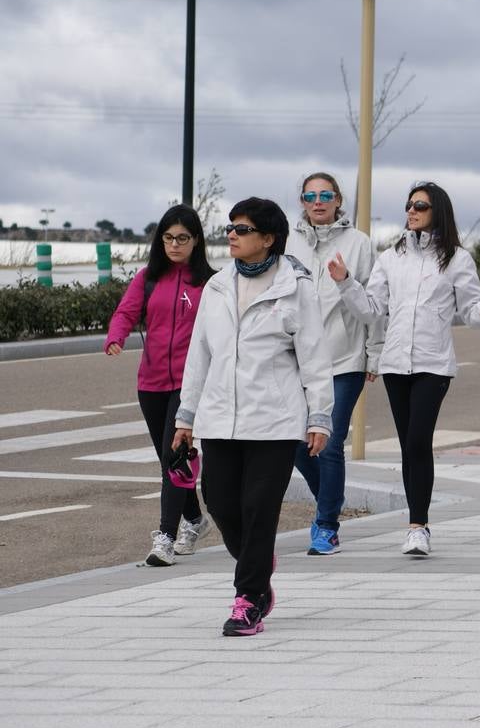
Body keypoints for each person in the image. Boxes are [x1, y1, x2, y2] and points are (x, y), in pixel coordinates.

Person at [174, 198, 334, 636]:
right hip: (220, 419)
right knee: (222, 504)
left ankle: (248, 600)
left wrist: (319, 417)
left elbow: (315, 358)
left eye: (242, 230)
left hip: (275, 422)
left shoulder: (296, 287)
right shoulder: (217, 286)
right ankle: (258, 561)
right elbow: (200, 355)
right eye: (230, 227)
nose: (232, 235)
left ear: (268, 239)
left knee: (259, 508)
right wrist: (185, 416)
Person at [330, 182, 480, 557]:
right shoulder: (391, 257)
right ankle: (416, 523)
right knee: (408, 447)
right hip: (395, 364)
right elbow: (372, 308)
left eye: (420, 206)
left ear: (437, 211)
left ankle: (418, 526)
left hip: (433, 363)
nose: (411, 211)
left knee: (417, 442)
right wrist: (346, 282)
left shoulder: (457, 258)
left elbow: (471, 310)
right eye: (409, 205)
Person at [104, 206, 216, 568]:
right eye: (168, 237)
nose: (174, 244)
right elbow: (125, 312)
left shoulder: (210, 283)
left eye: (182, 238)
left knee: (173, 458)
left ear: (196, 240)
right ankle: (196, 520)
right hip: (150, 382)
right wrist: (116, 336)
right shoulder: (148, 278)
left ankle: (166, 537)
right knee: (170, 460)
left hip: (188, 384)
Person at [286, 172, 382, 556]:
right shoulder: (287, 243)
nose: (318, 201)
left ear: (338, 200)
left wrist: (374, 353)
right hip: (297, 362)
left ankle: (326, 525)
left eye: (326, 195)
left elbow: (375, 309)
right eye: (310, 196)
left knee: (329, 444)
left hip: (344, 361)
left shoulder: (359, 245)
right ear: (303, 202)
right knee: (293, 441)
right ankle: (331, 497)